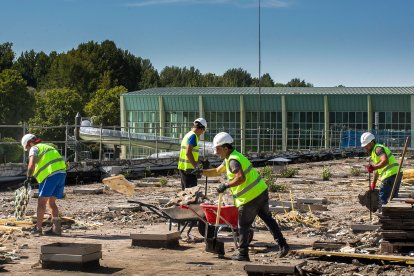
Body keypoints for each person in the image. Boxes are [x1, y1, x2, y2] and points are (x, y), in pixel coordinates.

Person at [202, 132, 289, 261]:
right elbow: (216, 171)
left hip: (249, 198)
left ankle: (243, 254)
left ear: (226, 148)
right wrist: (200, 172)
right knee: (267, 219)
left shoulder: (233, 161)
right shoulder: (232, 157)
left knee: (243, 225)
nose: (217, 153)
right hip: (260, 192)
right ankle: (283, 244)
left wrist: (225, 185)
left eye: (218, 150)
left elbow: (240, 178)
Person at [21, 134, 67, 236]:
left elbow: (31, 164)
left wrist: (28, 178)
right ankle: (56, 229)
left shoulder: (34, 148)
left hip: (50, 175)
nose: (28, 149)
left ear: (29, 143)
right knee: (52, 203)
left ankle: (38, 228)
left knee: (41, 202)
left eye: (27, 147)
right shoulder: (48, 147)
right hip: (61, 174)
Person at [361, 132, 401, 210]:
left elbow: (385, 161)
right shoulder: (374, 152)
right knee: (393, 197)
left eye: (366, 146)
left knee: (383, 197)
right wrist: (373, 184)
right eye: (364, 146)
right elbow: (376, 170)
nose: (365, 148)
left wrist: (373, 167)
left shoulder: (378, 149)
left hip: (390, 174)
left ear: (372, 142)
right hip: (397, 173)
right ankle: (394, 216)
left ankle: (383, 216)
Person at [177, 118, 207, 191]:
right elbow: (188, 153)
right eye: (203, 131)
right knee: (191, 194)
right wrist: (196, 167)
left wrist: (199, 161)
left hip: (183, 168)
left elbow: (189, 153)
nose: (202, 133)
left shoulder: (188, 134)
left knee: (185, 193)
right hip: (189, 170)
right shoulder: (193, 136)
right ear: (201, 129)